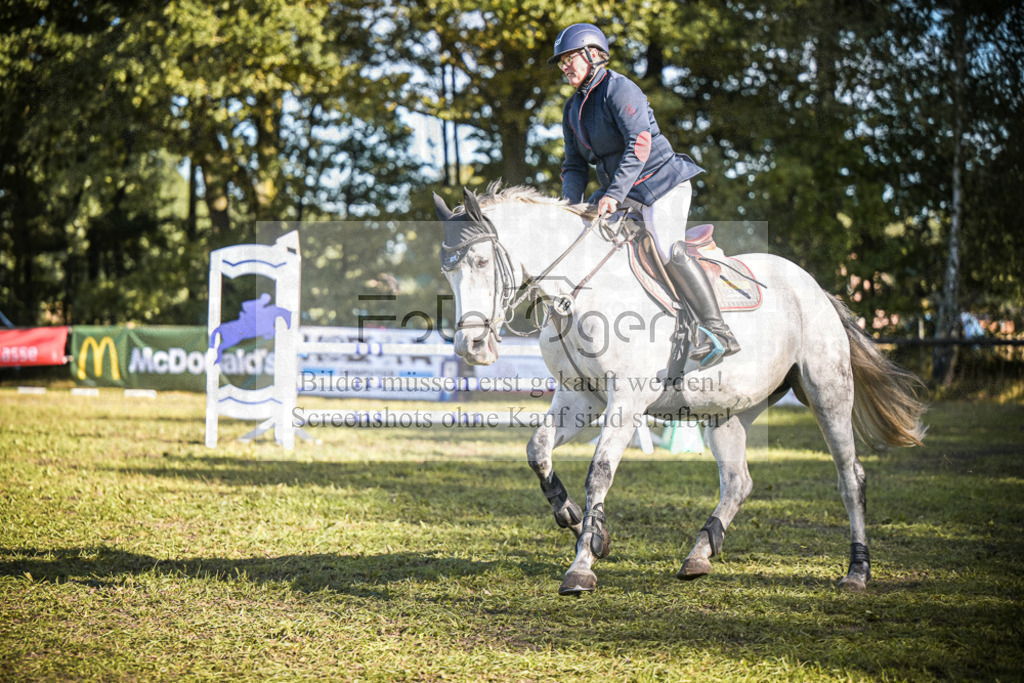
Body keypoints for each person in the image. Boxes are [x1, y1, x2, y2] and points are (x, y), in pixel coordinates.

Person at [551, 23, 739, 372]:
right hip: (622, 192)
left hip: (662, 185)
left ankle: (717, 331)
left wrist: (614, 194)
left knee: (667, 245)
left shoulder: (620, 89)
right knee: (582, 241)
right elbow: (574, 165)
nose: (564, 66)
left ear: (594, 55)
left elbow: (640, 145)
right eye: (561, 61)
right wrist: (569, 207)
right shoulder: (571, 109)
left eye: (570, 58)